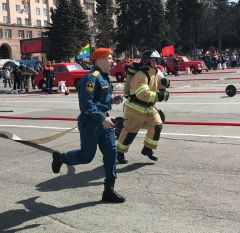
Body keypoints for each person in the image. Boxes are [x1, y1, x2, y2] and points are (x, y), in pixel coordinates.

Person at [51, 48, 125, 203]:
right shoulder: (92, 78)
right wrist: (101, 118)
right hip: (91, 124)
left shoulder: (105, 77)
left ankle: (109, 190)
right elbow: (86, 104)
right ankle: (62, 158)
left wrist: (112, 100)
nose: (113, 61)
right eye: (110, 58)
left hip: (105, 122)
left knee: (112, 154)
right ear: (99, 60)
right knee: (86, 157)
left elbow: (99, 100)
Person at [116, 49, 169, 164]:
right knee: (130, 133)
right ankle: (119, 152)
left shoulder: (154, 73)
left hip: (149, 109)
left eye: (156, 60)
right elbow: (143, 94)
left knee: (157, 127)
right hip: (135, 109)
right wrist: (158, 96)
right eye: (153, 60)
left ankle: (147, 149)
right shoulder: (140, 75)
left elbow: (158, 85)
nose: (155, 63)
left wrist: (164, 87)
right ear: (147, 61)